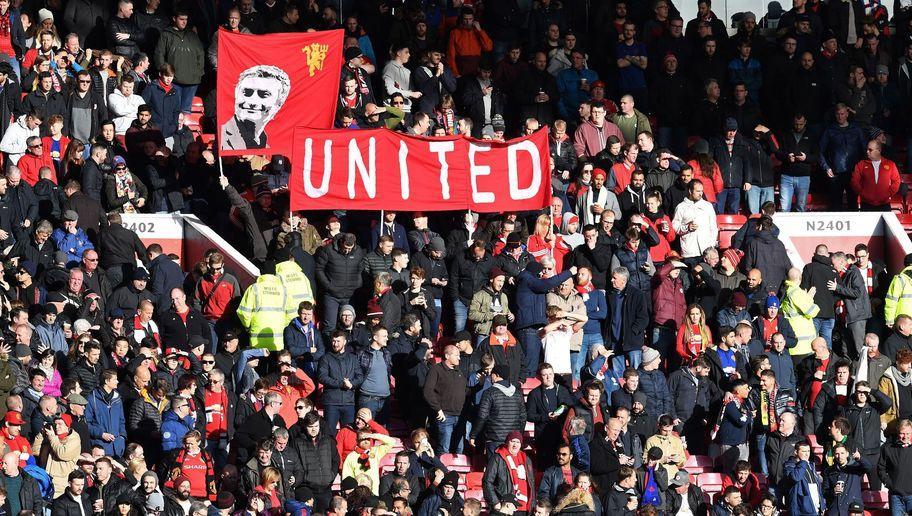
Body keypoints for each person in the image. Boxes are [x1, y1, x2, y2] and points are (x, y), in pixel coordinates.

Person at [482, 431, 535, 514]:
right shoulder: (498, 458)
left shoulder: (526, 459)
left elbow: (531, 483)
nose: (515, 445)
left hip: (524, 508)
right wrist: (495, 502)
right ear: (507, 442)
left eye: (518, 442)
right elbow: (487, 481)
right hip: (506, 506)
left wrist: (532, 504)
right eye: (512, 441)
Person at [851, 139, 900, 211]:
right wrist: (863, 193)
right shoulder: (861, 164)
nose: (867, 152)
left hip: (884, 204)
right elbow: (854, 181)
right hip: (866, 204)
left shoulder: (890, 164)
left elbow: (896, 181)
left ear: (879, 150)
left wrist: (888, 194)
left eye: (870, 150)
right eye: (867, 149)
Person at [784, 441, 826, 515]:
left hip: (815, 509)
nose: (807, 454)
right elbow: (796, 477)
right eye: (804, 451)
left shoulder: (811, 465)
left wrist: (822, 505)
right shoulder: (789, 466)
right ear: (796, 452)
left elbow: (817, 487)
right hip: (801, 510)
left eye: (808, 451)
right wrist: (803, 462)